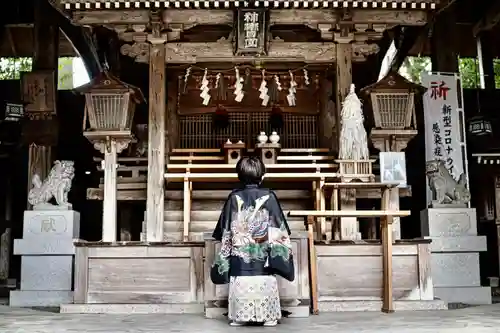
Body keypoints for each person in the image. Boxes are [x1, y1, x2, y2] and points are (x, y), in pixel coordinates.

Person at [211, 156, 293, 327]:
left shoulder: (233, 197)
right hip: (263, 257)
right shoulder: (269, 196)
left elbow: (225, 229)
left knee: (241, 278)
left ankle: (239, 316)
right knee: (265, 279)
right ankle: (268, 316)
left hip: (240, 255)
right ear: (262, 175)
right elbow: (279, 228)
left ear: (239, 176)